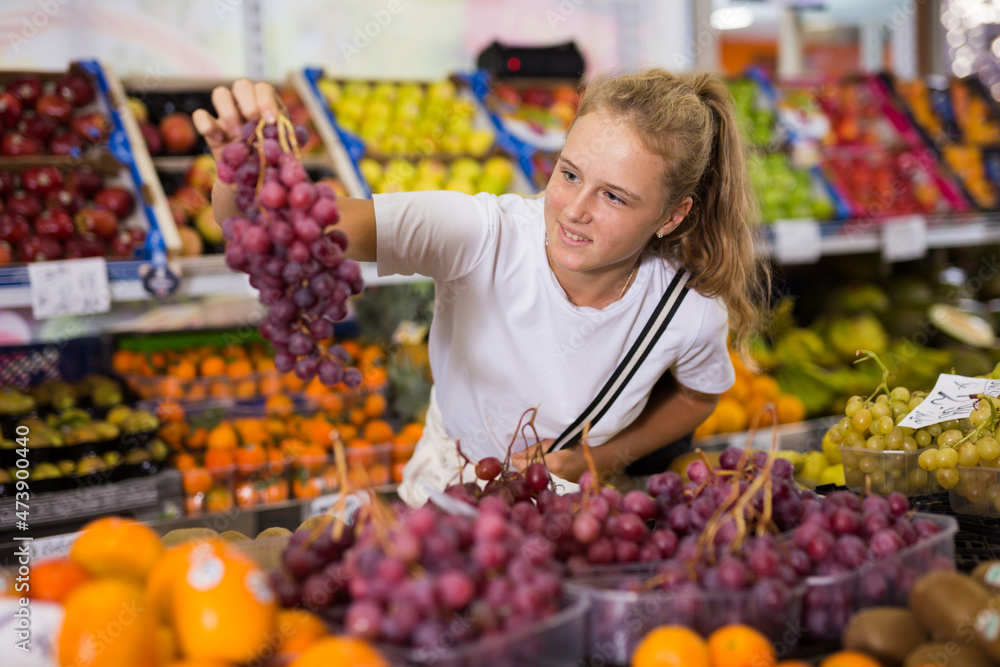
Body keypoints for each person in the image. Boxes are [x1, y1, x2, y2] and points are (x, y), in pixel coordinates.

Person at [195, 69, 769, 508]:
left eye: (615, 196)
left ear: (672, 216)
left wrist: (594, 458)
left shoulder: (688, 311)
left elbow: (699, 396)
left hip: (574, 514)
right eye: (568, 174)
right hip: (444, 496)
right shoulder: (480, 234)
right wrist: (239, 169)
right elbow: (269, 226)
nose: (574, 209)